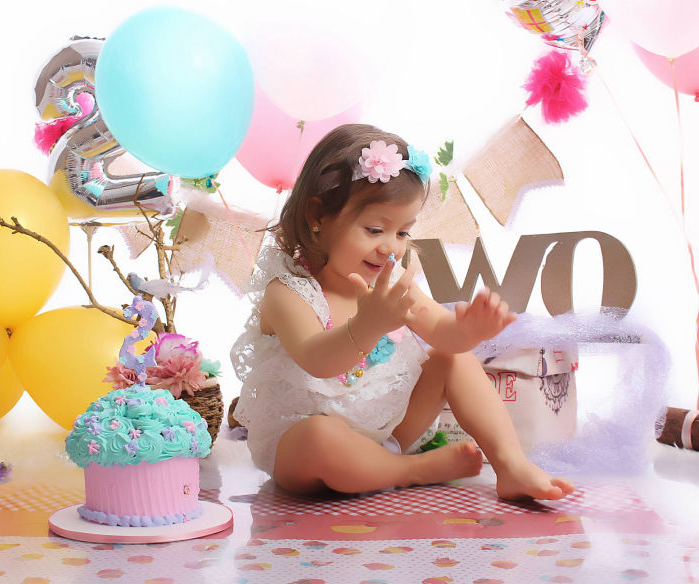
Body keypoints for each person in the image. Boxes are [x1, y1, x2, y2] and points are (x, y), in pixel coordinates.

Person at [231, 124, 574, 501]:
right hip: (308, 452)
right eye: (374, 229)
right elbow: (317, 361)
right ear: (318, 217)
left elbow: (441, 331)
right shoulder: (288, 292)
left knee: (453, 359)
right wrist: (367, 325)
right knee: (318, 436)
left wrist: (469, 330)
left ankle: (511, 465)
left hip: (388, 434)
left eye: (402, 233)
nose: (390, 248)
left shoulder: (393, 283)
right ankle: (413, 470)